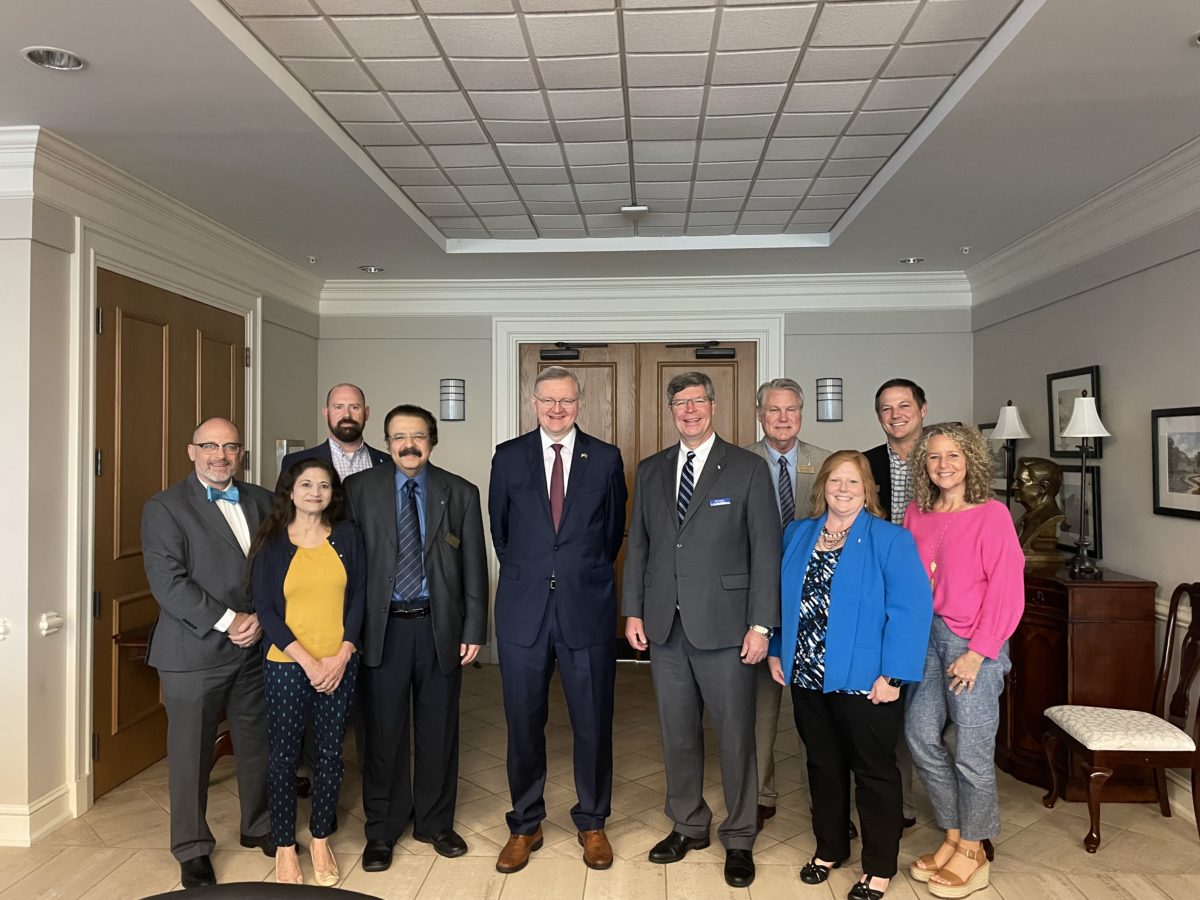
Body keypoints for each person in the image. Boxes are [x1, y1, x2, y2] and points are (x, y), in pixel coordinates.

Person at [623, 372, 781, 889]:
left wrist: (761, 625)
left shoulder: (748, 469)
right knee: (678, 735)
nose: (689, 410)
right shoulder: (650, 470)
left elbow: (766, 554)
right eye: (680, 402)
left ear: (713, 407)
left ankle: (739, 836)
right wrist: (634, 611)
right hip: (665, 626)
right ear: (671, 410)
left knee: (736, 737)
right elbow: (640, 547)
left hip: (728, 628)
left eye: (697, 401)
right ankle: (688, 824)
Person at [768, 451, 932, 900]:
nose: (843, 489)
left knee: (874, 771)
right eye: (835, 481)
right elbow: (785, 599)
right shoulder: (798, 533)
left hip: (866, 680)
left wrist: (894, 676)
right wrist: (780, 650)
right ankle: (831, 847)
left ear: (867, 491)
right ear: (822, 486)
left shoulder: (890, 539)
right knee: (822, 764)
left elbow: (911, 612)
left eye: (853, 482)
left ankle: (879, 867)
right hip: (807, 674)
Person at [488, 366, 627, 873]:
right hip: (523, 613)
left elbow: (613, 532)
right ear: (533, 402)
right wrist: (536, 571)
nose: (556, 409)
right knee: (523, 723)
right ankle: (525, 824)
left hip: (585, 609)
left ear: (579, 403)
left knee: (592, 723)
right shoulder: (508, 457)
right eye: (548, 400)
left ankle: (592, 822)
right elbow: (500, 532)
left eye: (566, 401)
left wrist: (573, 571)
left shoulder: (606, 459)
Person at [343, 404, 488, 873]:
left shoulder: (460, 492)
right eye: (399, 436)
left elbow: (474, 570)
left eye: (419, 436)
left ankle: (435, 823)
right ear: (386, 442)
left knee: (438, 730)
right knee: (381, 734)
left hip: (437, 627)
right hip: (379, 630)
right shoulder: (357, 490)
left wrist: (473, 630)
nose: (409, 444)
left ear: (432, 440)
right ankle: (382, 829)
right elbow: (346, 566)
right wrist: (348, 632)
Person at [141, 418, 275, 889]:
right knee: (190, 753)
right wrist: (229, 620)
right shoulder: (164, 507)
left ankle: (258, 825)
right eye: (210, 445)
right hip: (192, 651)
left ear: (241, 452)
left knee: (257, 742)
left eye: (231, 446)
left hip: (254, 646)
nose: (221, 454)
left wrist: (261, 616)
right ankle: (192, 848)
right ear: (191, 451)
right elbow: (169, 583)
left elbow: (278, 565)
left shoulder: (262, 499)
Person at [903, 423, 1025, 899]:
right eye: (933, 457)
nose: (944, 465)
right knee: (918, 733)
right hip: (926, 639)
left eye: (953, 455)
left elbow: (1008, 588)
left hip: (974, 641)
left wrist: (979, 652)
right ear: (923, 465)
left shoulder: (992, 515)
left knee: (972, 752)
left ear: (971, 459)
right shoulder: (917, 512)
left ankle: (974, 849)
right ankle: (953, 833)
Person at [249, 459, 365, 886]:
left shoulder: (348, 537)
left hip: (339, 663)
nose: (315, 491)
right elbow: (267, 611)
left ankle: (320, 837)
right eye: (306, 484)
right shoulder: (272, 541)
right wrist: (309, 661)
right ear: (290, 491)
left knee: (331, 756)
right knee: (283, 756)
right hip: (288, 664)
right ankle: (284, 845)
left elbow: (359, 600)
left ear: (333, 493)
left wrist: (342, 654)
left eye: (324, 485)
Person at [745, 377, 830, 832]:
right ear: (760, 414)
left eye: (791, 410)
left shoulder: (826, 464)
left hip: (812, 602)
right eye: (773, 410)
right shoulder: (739, 462)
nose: (782, 418)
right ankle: (761, 794)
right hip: (757, 599)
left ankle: (824, 797)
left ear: (801, 413)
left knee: (816, 709)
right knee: (760, 706)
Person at [864, 377, 928, 830]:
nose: (896, 414)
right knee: (883, 703)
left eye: (904, 405)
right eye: (887, 408)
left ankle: (956, 821)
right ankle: (895, 802)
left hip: (941, 599)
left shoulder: (945, 459)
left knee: (924, 717)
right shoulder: (865, 464)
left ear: (923, 409)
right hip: (880, 598)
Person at [277, 383, 389, 490]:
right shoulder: (295, 462)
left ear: (366, 413)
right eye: (338, 407)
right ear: (326, 413)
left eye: (354, 407)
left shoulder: (389, 463)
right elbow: (282, 508)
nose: (347, 415)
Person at [1013, 456, 1066, 565]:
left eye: (1021, 482)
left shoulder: (1050, 518)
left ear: (1043, 487)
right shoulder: (1024, 519)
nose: (1013, 486)